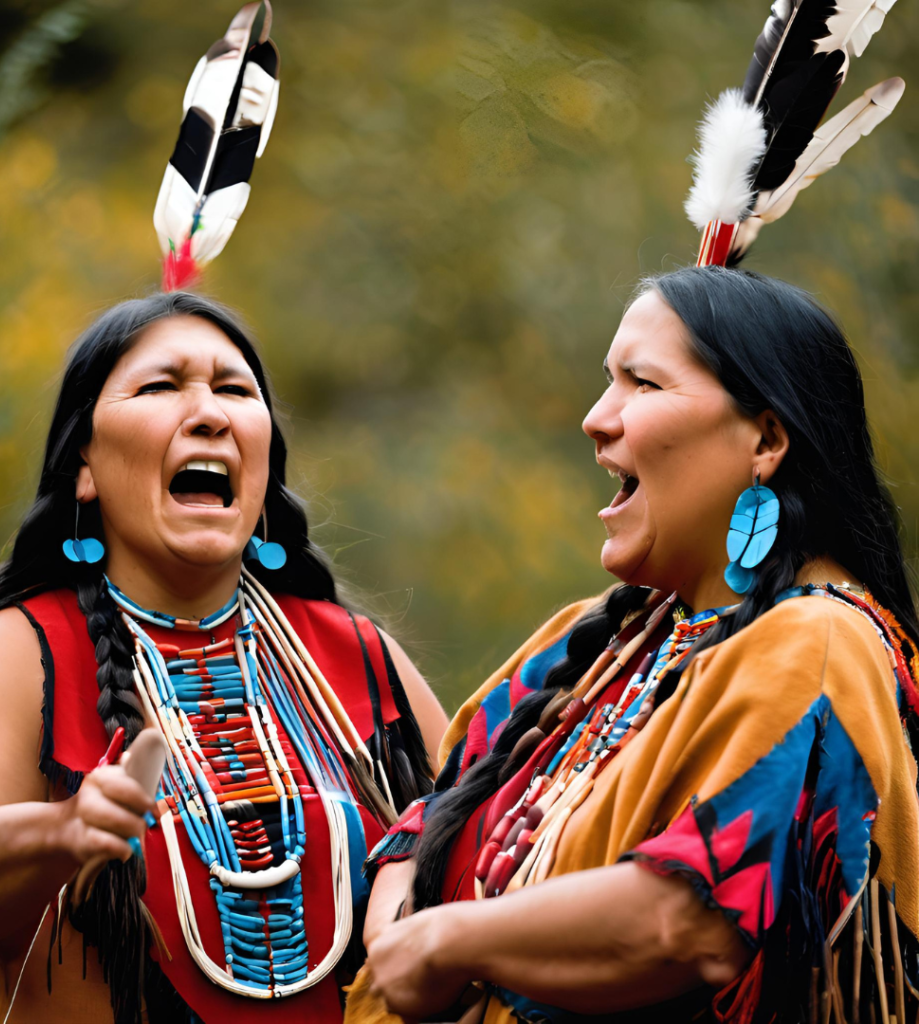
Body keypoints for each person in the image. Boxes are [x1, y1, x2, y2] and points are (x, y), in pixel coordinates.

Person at [350, 265, 919, 1024]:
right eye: (606, 381)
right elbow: (425, 823)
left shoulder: (819, 644)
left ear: (767, 439)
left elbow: (688, 920)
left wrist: (448, 941)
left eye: (642, 384)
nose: (595, 417)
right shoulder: (592, 645)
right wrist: (404, 933)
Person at [0, 291, 448, 1024]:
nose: (211, 414)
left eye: (234, 389)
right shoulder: (19, 653)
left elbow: (483, 853)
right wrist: (60, 834)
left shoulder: (355, 654)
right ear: (83, 466)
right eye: (160, 386)